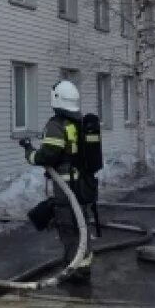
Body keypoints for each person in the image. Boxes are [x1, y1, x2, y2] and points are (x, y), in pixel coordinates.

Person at [21, 79, 97, 284]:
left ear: (57, 99)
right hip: (84, 186)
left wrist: (29, 152)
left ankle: (75, 270)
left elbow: (47, 156)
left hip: (67, 189)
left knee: (69, 227)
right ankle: (83, 264)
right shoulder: (80, 123)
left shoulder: (56, 125)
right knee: (81, 226)